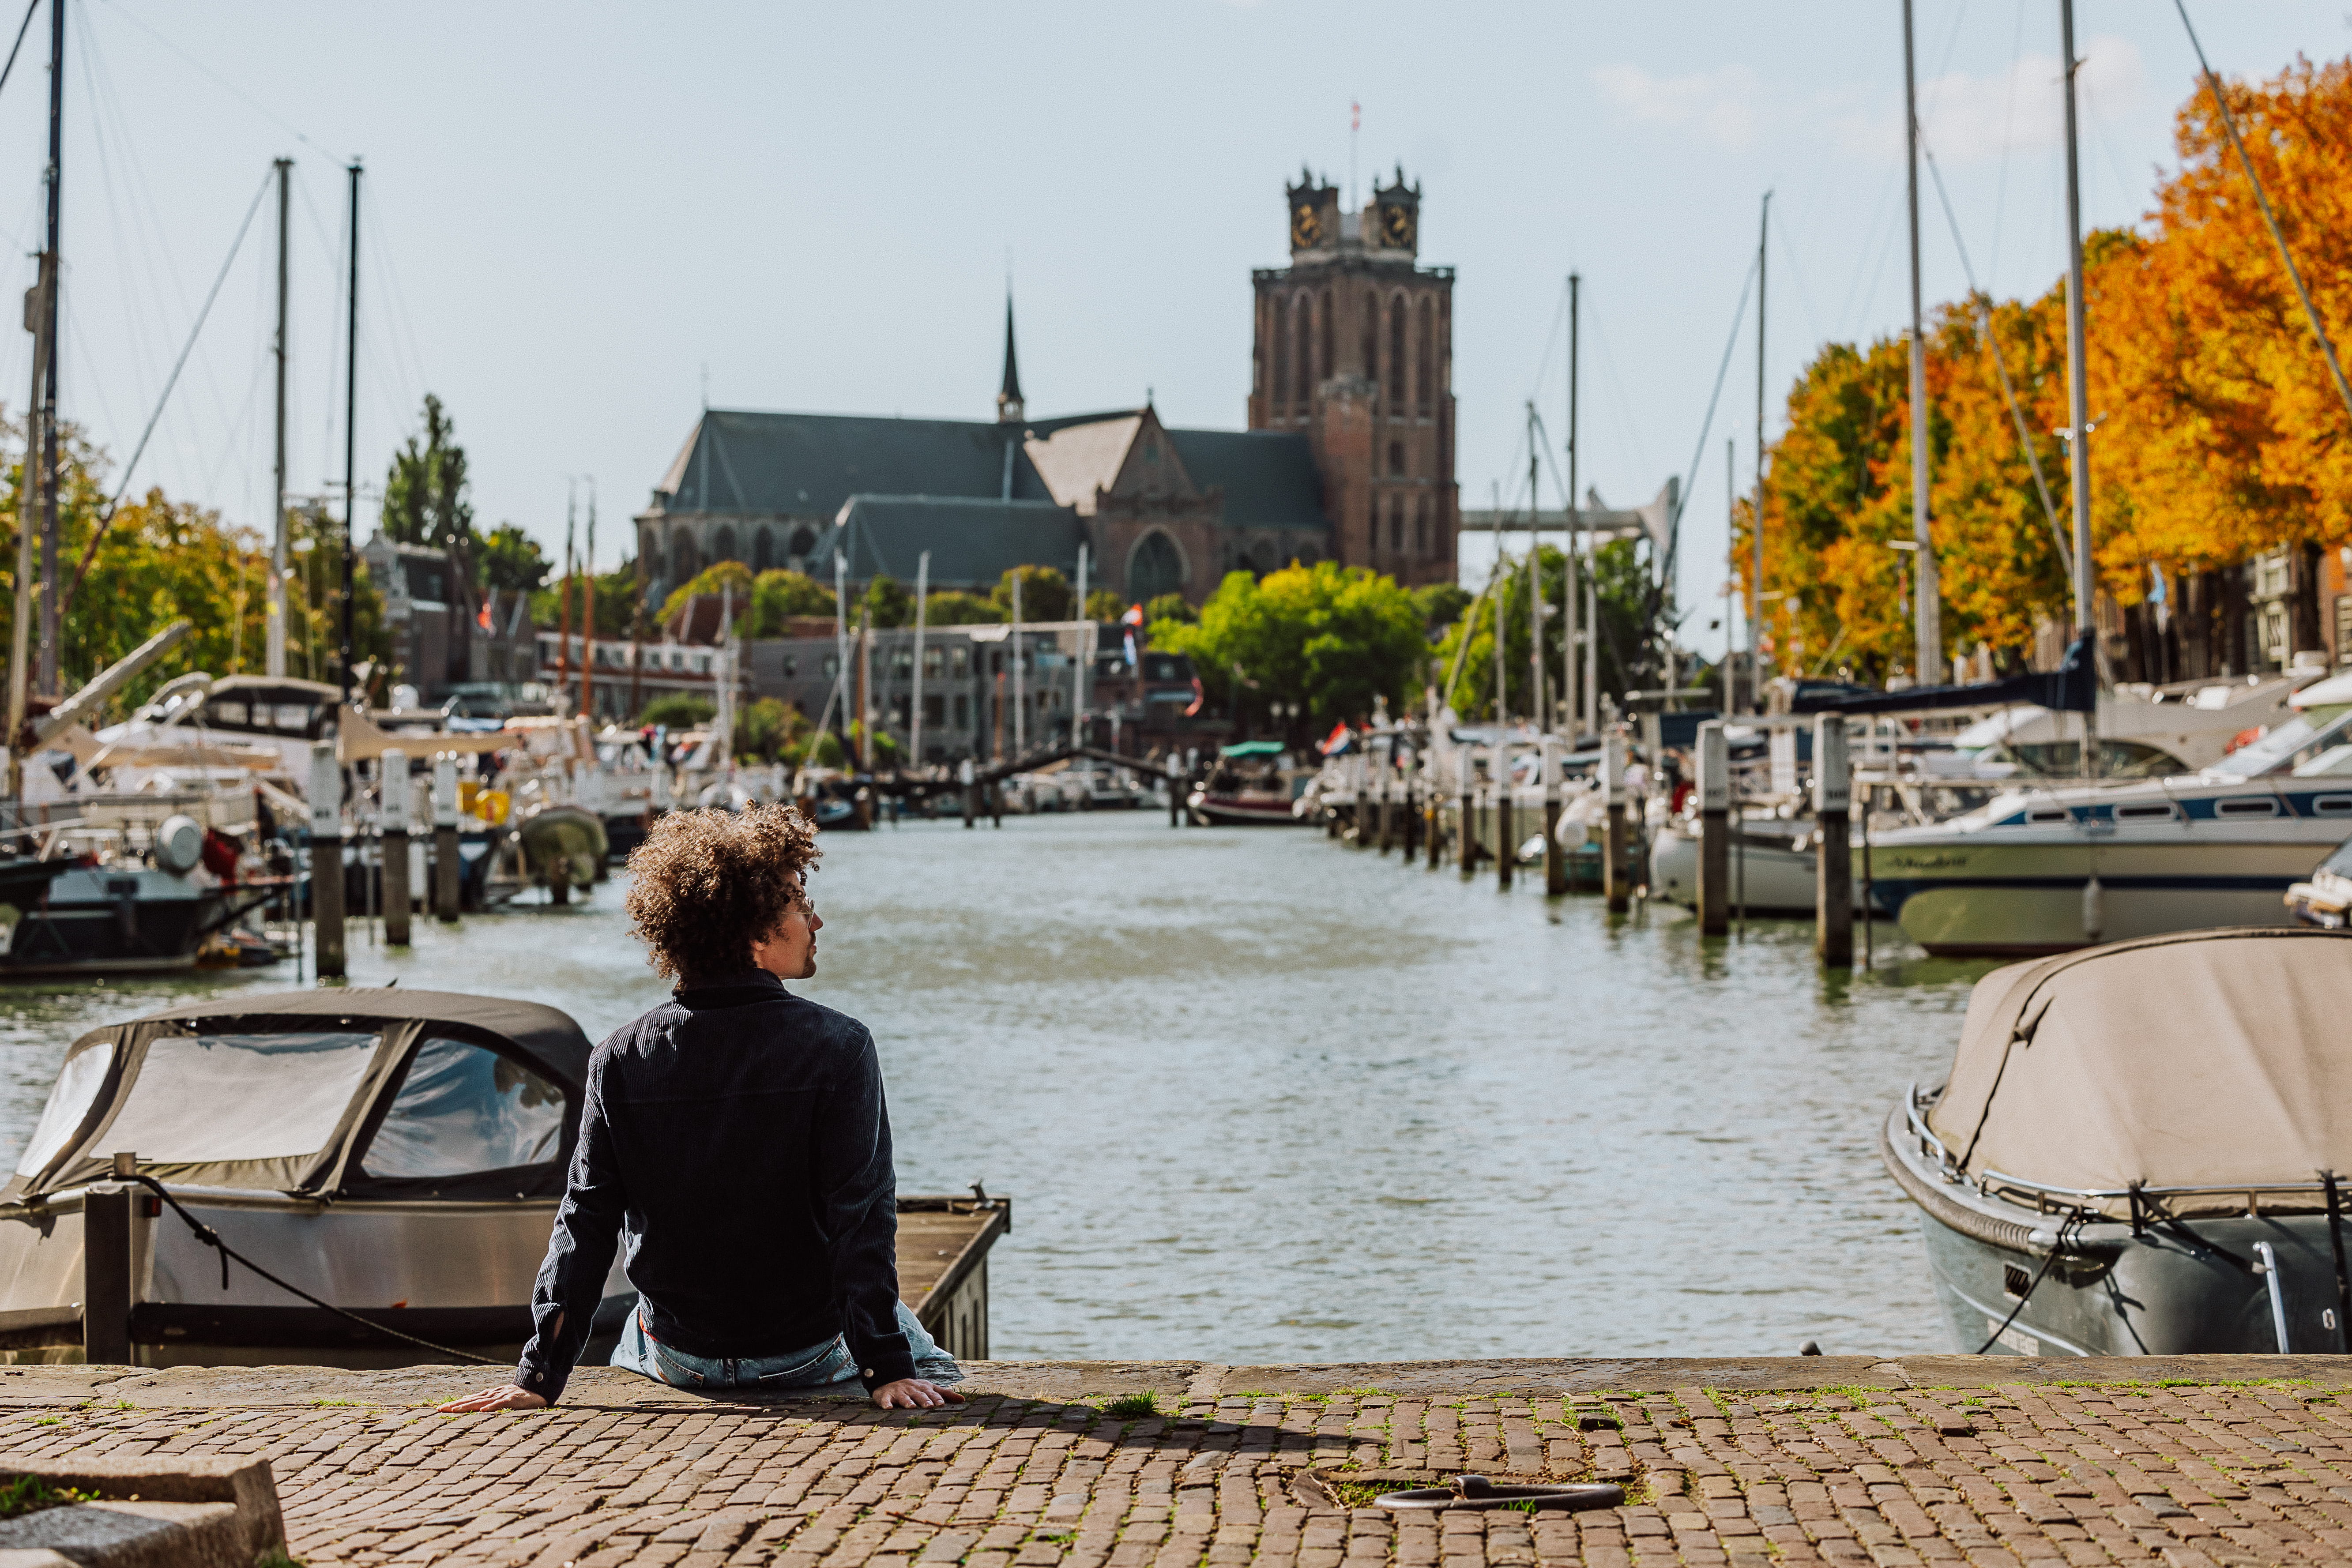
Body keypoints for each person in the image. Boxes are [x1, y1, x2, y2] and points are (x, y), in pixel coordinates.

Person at [440, 803, 963, 1413]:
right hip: (805, 1351)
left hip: (681, 1357)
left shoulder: (617, 1057)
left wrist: (538, 1376)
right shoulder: (840, 1046)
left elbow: (585, 1223)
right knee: (934, 1361)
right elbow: (861, 1221)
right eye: (798, 902)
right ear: (753, 930)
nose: (815, 919)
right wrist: (887, 1370)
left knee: (633, 1335)